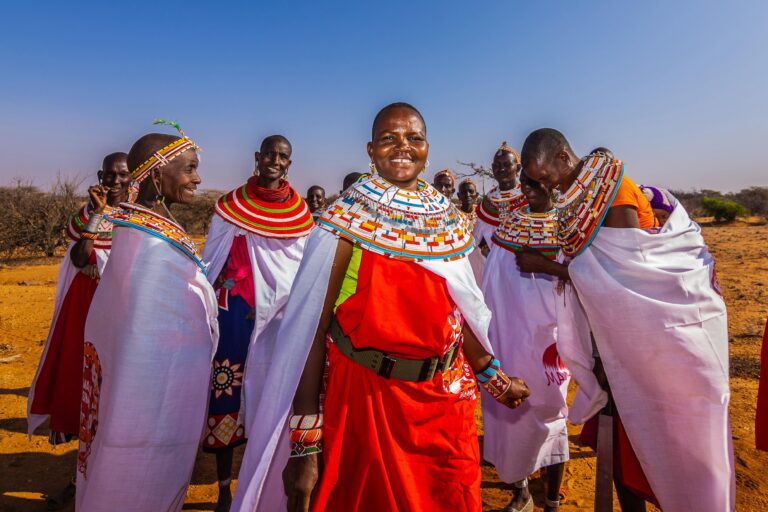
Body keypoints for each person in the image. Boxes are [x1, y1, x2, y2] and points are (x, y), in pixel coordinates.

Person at [231, 102, 530, 512]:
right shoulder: (344, 221)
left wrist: (493, 377)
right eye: (388, 139)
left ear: (427, 146)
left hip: (446, 407)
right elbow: (311, 331)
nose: (402, 148)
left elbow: (457, 312)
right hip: (367, 403)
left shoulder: (446, 219)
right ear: (370, 151)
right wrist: (303, 448)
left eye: (414, 138)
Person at [519, 128, 733, 512]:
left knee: (667, 443)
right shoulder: (582, 196)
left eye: (545, 177)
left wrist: (547, 267)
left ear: (565, 159)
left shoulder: (612, 193)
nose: (543, 185)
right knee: (624, 448)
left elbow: (628, 282)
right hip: (619, 341)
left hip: (652, 341)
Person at [76, 121, 219, 512]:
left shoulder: (143, 226)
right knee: (142, 472)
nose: (197, 177)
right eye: (188, 168)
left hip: (159, 387)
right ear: (157, 174)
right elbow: (148, 328)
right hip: (152, 396)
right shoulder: (149, 238)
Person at [202, 135, 313, 511]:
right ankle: (222, 488)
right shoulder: (229, 206)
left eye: (283, 156)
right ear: (257, 157)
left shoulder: (300, 214)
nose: (275, 161)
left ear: (289, 163)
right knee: (227, 394)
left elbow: (299, 271)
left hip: (280, 322)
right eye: (270, 153)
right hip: (233, 315)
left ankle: (263, 476)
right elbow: (214, 261)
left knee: (271, 394)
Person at [27, 152, 129, 510]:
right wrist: (97, 213)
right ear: (101, 175)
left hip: (123, 313)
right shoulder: (87, 215)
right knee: (85, 388)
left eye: (123, 175)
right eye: (110, 175)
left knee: (117, 392)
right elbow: (79, 257)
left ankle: (112, 476)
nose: (116, 182)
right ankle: (80, 477)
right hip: (84, 310)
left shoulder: (139, 217)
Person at [482, 172, 569, 512]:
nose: (530, 190)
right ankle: (521, 491)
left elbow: (585, 280)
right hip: (512, 338)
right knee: (513, 411)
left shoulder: (568, 226)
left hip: (554, 340)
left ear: (552, 183)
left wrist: (544, 266)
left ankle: (552, 497)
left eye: (536, 183)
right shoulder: (509, 229)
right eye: (526, 184)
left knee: (554, 410)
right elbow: (494, 283)